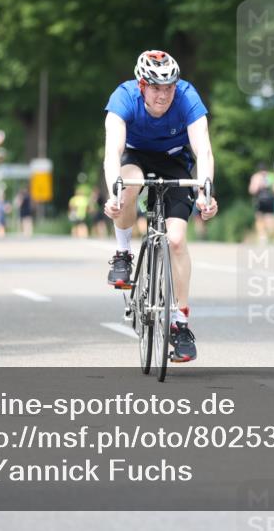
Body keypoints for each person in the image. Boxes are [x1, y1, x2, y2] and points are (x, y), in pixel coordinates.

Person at [102, 49, 218, 363]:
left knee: (177, 240)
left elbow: (203, 150)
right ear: (142, 85)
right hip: (135, 160)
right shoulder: (123, 97)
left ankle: (180, 324)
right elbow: (112, 151)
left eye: (169, 87)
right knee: (129, 186)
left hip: (175, 164)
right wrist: (115, 194)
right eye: (155, 87)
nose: (163, 95)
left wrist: (206, 192)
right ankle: (123, 252)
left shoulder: (187, 97)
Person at [248, 162, 274, 244]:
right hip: (270, 200)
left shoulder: (256, 177)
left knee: (259, 218)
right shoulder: (271, 176)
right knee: (270, 218)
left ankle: (263, 236)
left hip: (260, 200)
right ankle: (269, 235)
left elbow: (252, 190)